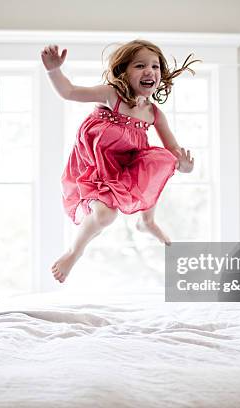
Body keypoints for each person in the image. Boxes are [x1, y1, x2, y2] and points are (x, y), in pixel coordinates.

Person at [41, 39, 198, 283]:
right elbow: (69, 91)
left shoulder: (153, 113)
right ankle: (73, 252)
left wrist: (185, 165)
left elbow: (174, 150)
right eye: (140, 66)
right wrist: (54, 70)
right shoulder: (111, 95)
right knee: (105, 216)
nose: (149, 71)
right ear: (123, 71)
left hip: (126, 165)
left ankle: (147, 221)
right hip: (96, 166)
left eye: (155, 67)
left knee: (162, 159)